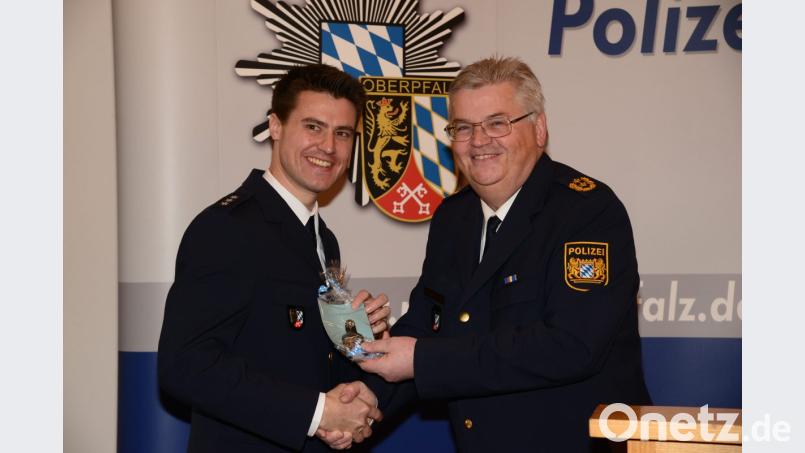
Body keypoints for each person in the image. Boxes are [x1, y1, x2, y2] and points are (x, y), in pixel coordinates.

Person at [359, 56, 651, 452]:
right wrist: (365, 400)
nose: (479, 141)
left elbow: (570, 346)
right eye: (463, 127)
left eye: (498, 123)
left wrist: (423, 361)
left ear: (540, 129)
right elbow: (427, 326)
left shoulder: (587, 212)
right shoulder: (453, 218)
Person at [158, 64, 391, 452]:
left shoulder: (321, 237)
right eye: (313, 127)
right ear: (276, 126)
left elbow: (287, 347)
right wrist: (317, 413)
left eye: (343, 133)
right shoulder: (226, 228)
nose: (329, 147)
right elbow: (186, 366)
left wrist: (356, 335)